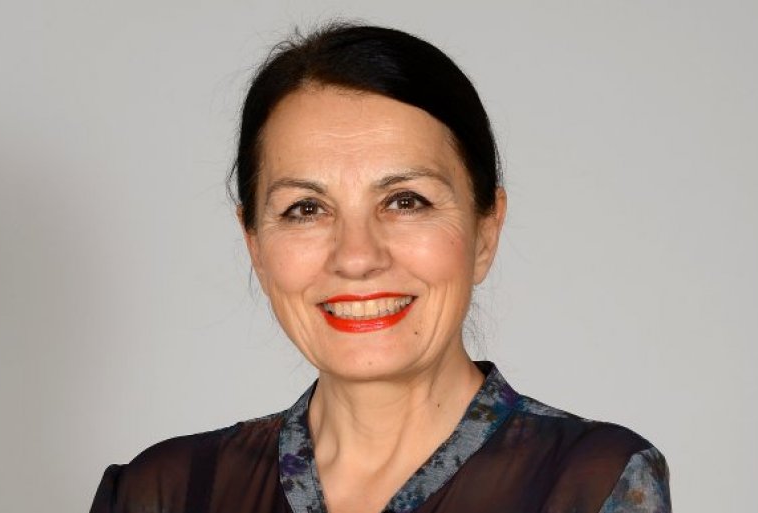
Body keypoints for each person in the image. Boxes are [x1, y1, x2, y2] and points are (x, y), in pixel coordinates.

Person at [89, 23, 670, 513]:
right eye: (306, 209)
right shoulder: (161, 493)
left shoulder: (590, 484)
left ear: (486, 231)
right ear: (255, 245)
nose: (357, 256)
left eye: (405, 201)